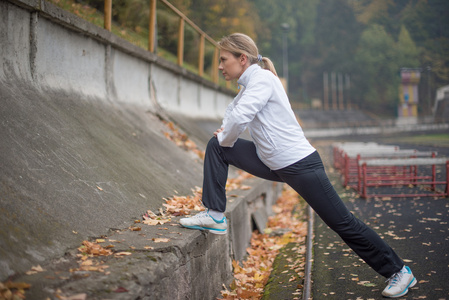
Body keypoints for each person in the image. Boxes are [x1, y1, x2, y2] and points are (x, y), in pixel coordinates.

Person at [179, 33, 416, 298]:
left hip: (301, 165)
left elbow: (241, 117)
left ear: (242, 59)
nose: (220, 66)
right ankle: (214, 215)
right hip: (272, 162)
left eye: (224, 60)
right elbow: (233, 115)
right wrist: (223, 136)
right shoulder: (248, 85)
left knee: (343, 223)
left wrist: (225, 135)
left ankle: (400, 272)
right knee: (217, 147)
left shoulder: (262, 79)